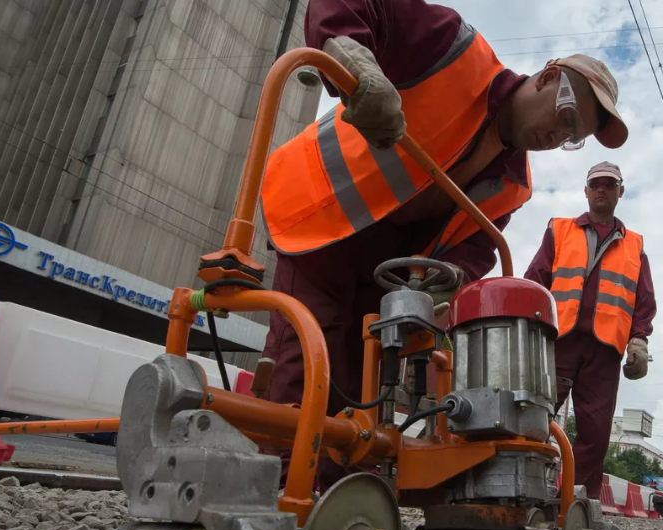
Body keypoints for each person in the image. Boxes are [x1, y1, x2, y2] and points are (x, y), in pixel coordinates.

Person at [260, 0, 630, 491]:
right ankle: (282, 500)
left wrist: (451, 276)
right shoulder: (455, 50)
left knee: (361, 391)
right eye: (566, 116)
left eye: (570, 136)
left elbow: (475, 246)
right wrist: (356, 63)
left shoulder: (514, 183)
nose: (556, 135)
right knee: (309, 362)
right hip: (318, 217)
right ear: (546, 78)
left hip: (385, 272)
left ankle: (341, 500)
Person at [523, 162, 656, 499]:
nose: (601, 189)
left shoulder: (634, 246)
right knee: (533, 415)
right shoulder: (560, 230)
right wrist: (527, 325)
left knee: (595, 434)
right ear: (585, 191)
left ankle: (577, 504)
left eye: (609, 185)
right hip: (558, 341)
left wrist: (638, 341)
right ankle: (522, 489)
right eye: (596, 184)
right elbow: (535, 279)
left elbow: (644, 300)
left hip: (604, 349)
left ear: (620, 192)